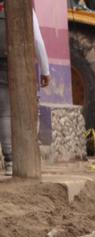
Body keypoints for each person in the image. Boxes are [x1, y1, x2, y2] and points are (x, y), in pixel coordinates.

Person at [0, 6, 51, 175]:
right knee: (7, 112)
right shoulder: (22, 8)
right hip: (8, 64)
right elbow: (37, 40)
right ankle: (10, 161)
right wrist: (45, 70)